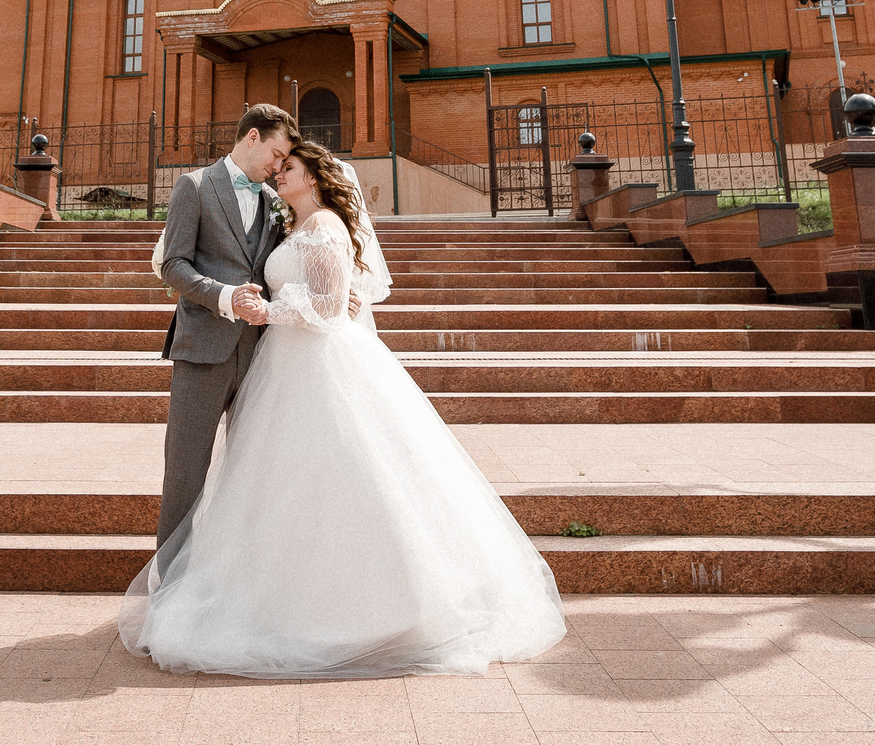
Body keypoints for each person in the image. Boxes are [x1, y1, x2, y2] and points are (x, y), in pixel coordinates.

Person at [122, 133, 565, 679]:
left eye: (289, 167)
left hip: (310, 361)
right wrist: (292, 301)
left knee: (335, 474)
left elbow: (329, 308)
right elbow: (194, 263)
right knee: (271, 480)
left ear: (312, 176)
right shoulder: (283, 219)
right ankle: (245, 591)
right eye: (278, 164)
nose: (278, 172)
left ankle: (351, 609)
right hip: (274, 363)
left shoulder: (325, 225)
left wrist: (276, 311)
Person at [149, 102, 296, 549]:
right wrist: (223, 295)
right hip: (202, 349)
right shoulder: (193, 187)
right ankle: (169, 583)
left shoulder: (275, 202)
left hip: (260, 354)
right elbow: (173, 264)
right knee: (186, 469)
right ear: (252, 137)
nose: (278, 166)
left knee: (250, 470)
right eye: (275, 153)